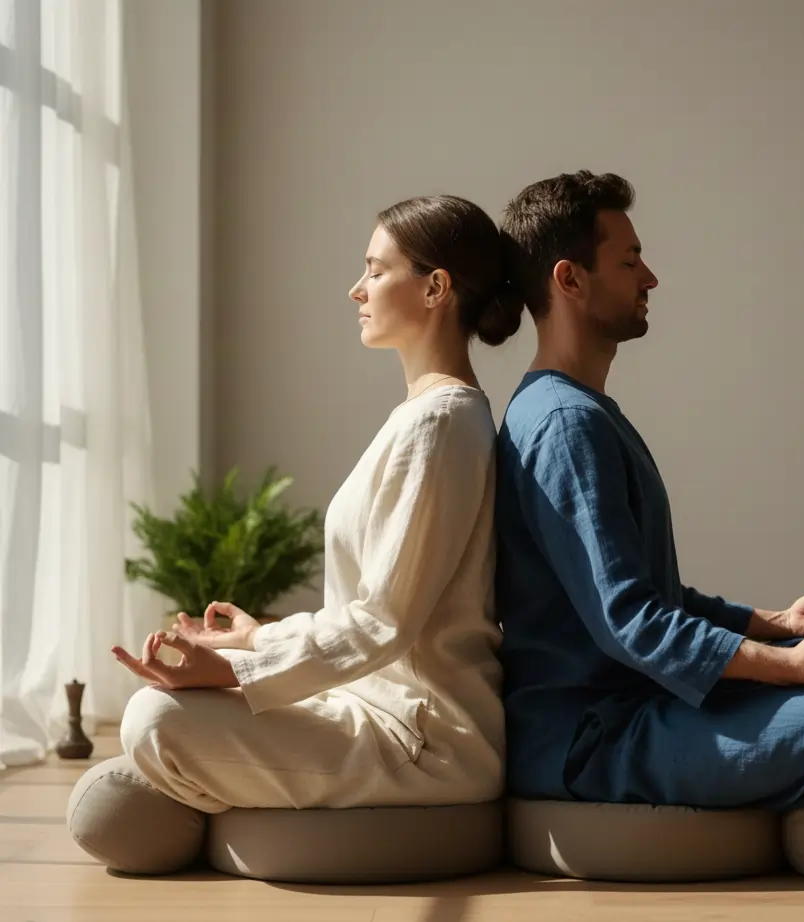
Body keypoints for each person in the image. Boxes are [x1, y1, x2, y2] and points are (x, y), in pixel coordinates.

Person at [493, 170, 804, 811]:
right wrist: (793, 664)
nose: (650, 277)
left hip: (639, 701)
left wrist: (779, 626)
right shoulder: (564, 424)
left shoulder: (581, 412)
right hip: (590, 734)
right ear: (569, 279)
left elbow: (654, 596)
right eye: (630, 261)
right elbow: (631, 623)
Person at [106, 195, 522, 815]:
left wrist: (233, 671)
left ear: (436, 288)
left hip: (427, 742)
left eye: (376, 270)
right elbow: (375, 614)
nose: (358, 289)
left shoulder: (441, 423)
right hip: (372, 705)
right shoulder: (425, 418)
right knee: (160, 710)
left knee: (155, 718)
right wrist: (254, 640)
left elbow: (383, 621)